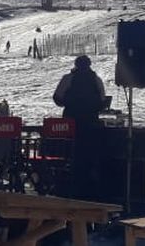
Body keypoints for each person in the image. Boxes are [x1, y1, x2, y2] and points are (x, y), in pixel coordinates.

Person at [53, 55, 107, 199]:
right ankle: (88, 186)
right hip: (90, 122)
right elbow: (102, 101)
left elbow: (57, 98)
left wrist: (69, 103)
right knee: (88, 154)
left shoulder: (68, 79)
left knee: (70, 153)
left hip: (71, 121)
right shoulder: (96, 80)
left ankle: (70, 185)